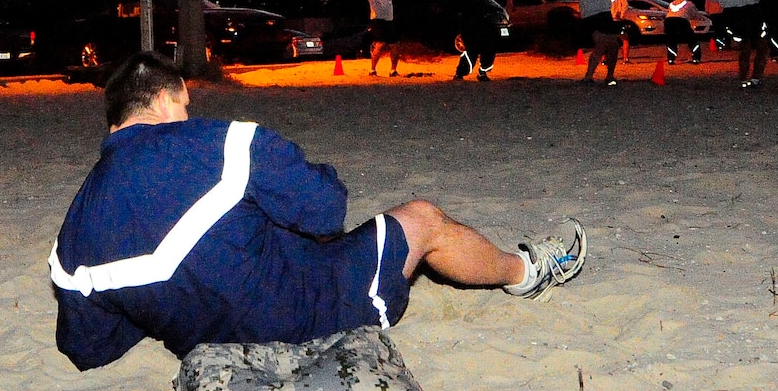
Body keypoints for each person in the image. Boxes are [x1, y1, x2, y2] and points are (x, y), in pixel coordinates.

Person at [49, 52, 588, 371]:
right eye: (187, 104)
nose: (191, 113)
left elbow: (85, 347)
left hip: (204, 344)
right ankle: (530, 271)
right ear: (169, 99)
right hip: (300, 318)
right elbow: (327, 210)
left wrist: (171, 302)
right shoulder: (222, 142)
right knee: (422, 218)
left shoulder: (75, 227)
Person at [708, 0, 767, 88]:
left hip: (730, 14)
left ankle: (743, 79)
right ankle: (756, 78)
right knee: (762, 46)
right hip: (751, 12)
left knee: (743, 47)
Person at [448, 0, 496, 81]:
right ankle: (460, 73)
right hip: (467, 19)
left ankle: (483, 72)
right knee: (472, 48)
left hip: (481, 18)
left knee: (488, 46)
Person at [361, 0, 403, 76]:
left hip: (389, 21)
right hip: (378, 21)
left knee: (394, 45)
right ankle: (372, 69)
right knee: (379, 44)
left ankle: (393, 70)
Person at [584, 0, 628, 85]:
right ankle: (597, 76)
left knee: (609, 49)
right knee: (605, 49)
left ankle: (600, 76)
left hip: (608, 26)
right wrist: (620, 16)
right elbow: (623, 9)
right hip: (606, 25)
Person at [663, 0, 703, 64]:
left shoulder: (671, 3)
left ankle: (671, 59)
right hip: (681, 20)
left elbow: (669, 12)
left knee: (671, 40)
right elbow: (695, 15)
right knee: (692, 39)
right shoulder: (689, 3)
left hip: (668, 21)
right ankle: (696, 58)